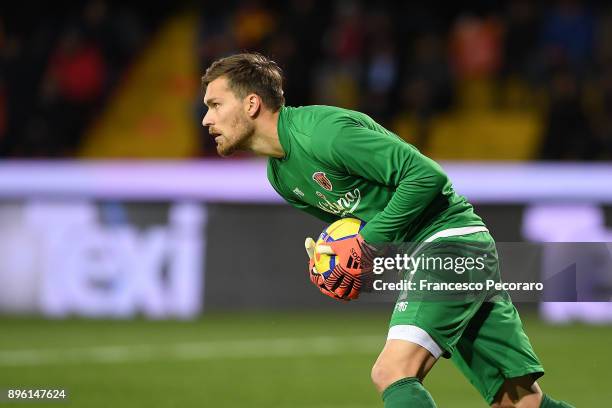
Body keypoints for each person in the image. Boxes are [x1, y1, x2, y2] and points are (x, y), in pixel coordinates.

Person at [200, 52, 574, 408]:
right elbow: (357, 228)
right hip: (439, 254)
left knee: (391, 371)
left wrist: (367, 243)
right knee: (521, 400)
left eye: (215, 105)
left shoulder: (323, 134)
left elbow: (426, 176)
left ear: (251, 104)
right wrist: (336, 257)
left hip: (450, 242)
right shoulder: (280, 176)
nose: (206, 119)